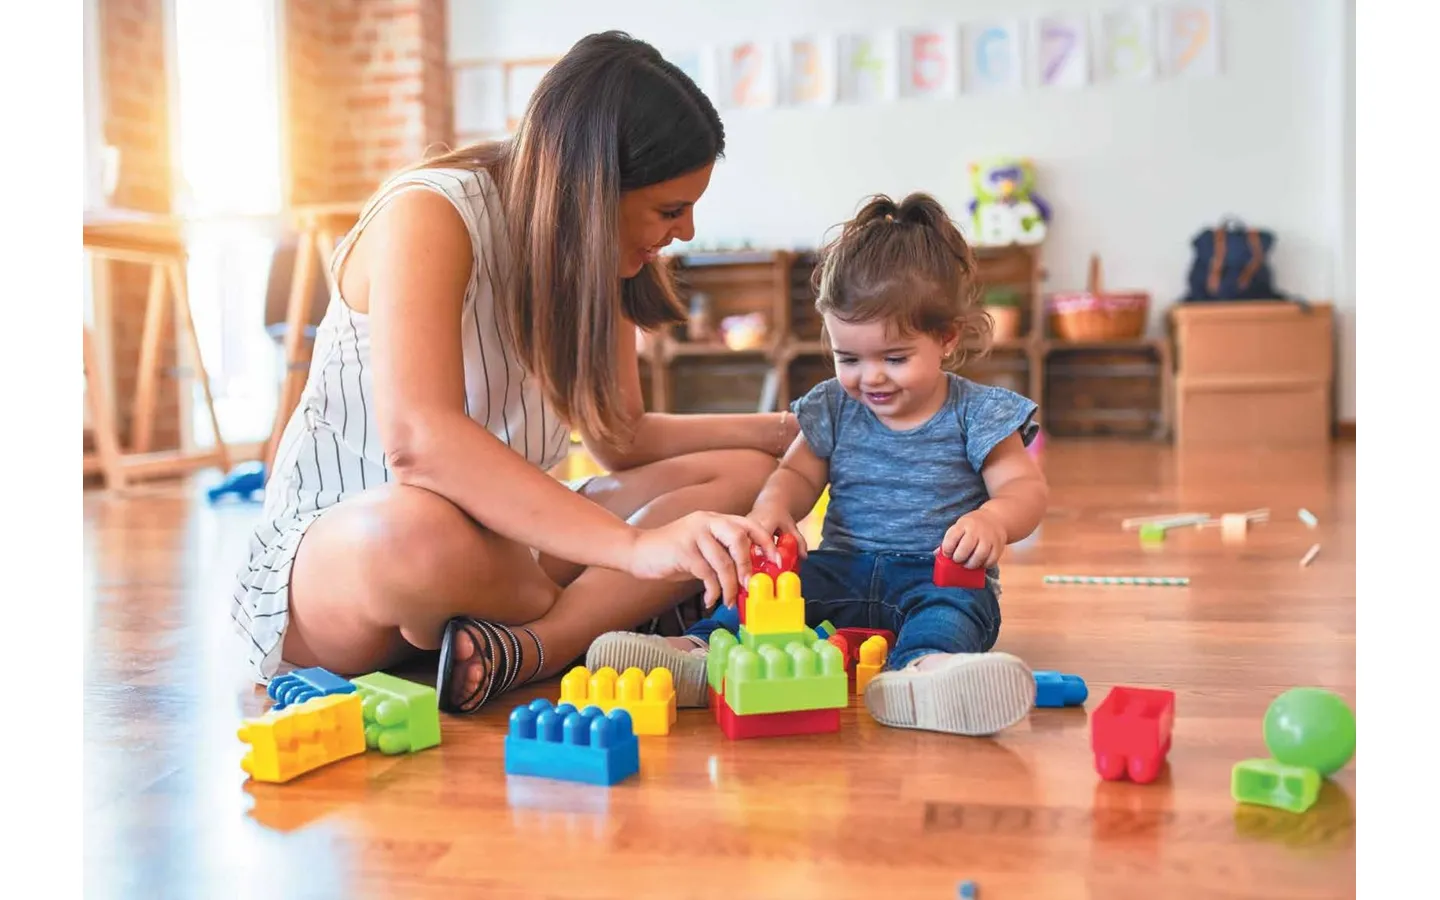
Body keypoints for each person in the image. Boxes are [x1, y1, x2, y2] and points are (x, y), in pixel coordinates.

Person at [230, 31, 798, 714]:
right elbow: (419, 442)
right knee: (414, 529)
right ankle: (582, 621)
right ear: (594, 187)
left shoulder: (601, 253)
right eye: (670, 209)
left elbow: (621, 434)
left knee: (739, 476)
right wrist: (635, 551)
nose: (685, 232)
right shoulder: (432, 212)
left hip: (507, 555)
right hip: (358, 565)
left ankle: (534, 646)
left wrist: (784, 432)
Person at [588, 192, 1049, 736]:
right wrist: (773, 510)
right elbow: (797, 473)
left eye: (894, 358)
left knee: (954, 612)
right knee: (771, 590)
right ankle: (700, 653)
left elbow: (1025, 487)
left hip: (936, 573)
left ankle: (925, 674)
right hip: (843, 568)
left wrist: (994, 521)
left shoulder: (979, 412)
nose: (870, 377)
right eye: (848, 357)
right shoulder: (833, 404)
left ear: (946, 339)